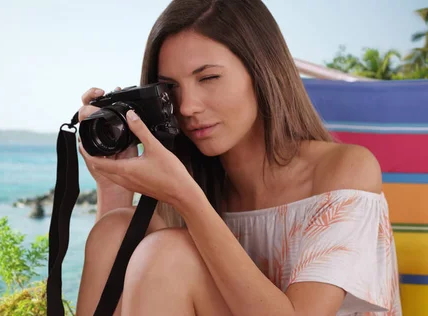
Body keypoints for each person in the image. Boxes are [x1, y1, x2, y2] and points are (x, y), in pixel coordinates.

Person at [75, 0, 401, 315]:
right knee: (119, 228)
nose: (187, 106)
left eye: (208, 78)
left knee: (167, 254)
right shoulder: (188, 176)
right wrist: (113, 184)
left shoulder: (345, 169)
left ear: (261, 72)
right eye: (170, 88)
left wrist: (188, 199)